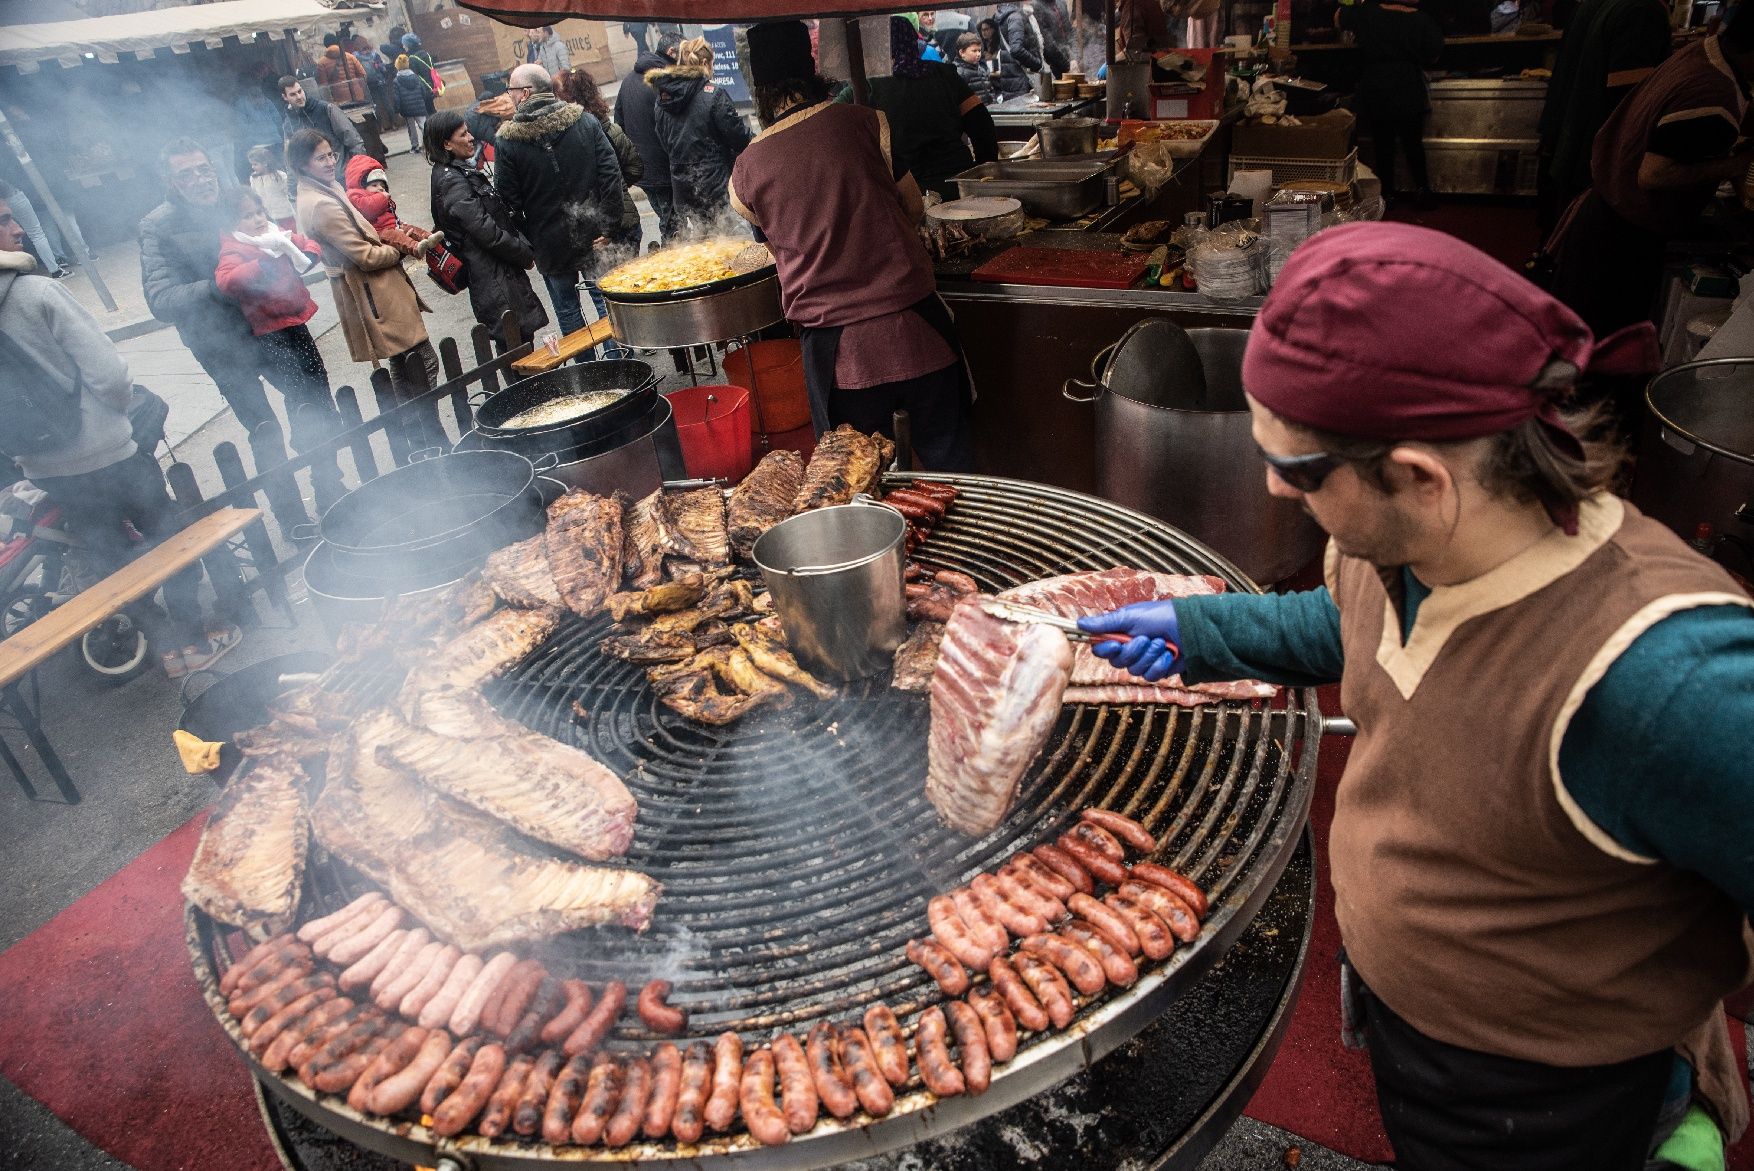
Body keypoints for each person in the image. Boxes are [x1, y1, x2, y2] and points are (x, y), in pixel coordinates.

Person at [1076, 221, 1754, 1171]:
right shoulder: (1400, 545)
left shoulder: (1664, 675)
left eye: (1298, 469)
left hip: (1550, 1099)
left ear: (1420, 475)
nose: (1275, 487)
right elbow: (1354, 626)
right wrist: (1203, 631)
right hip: (1414, 1036)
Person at [0, 195, 241, 678]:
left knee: (112, 562)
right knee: (172, 542)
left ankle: (165, 648)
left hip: (46, 468)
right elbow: (110, 375)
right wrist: (111, 417)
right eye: (5, 220)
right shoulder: (37, 293)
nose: (19, 229)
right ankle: (193, 642)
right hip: (110, 454)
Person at [730, 21, 975, 471]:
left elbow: (776, 248)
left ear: (758, 89)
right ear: (812, 70)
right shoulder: (866, 122)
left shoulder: (746, 170)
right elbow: (914, 207)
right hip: (916, 329)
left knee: (858, 484)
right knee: (953, 468)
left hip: (839, 360)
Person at [141, 138, 341, 525]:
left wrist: (295, 253)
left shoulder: (233, 203)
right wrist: (216, 289)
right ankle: (292, 518)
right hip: (221, 343)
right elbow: (160, 298)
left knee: (314, 403)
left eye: (204, 169)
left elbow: (275, 235)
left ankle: (331, 490)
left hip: (275, 325)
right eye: (187, 174)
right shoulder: (158, 226)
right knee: (264, 429)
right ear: (170, 181)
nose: (200, 180)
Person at [1551, 19, 1754, 343]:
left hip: (1605, 209)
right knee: (1602, 344)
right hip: (1622, 236)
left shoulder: (1703, 52)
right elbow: (1655, 174)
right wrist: (1735, 165)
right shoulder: (1713, 89)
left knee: (1581, 337)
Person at [288, 129, 442, 447]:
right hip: (373, 289)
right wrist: (400, 248)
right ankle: (427, 437)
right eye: (320, 158)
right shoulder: (319, 204)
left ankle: (420, 441)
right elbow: (365, 257)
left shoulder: (324, 188)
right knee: (422, 362)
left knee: (403, 362)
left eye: (330, 154)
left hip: (378, 287)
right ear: (302, 164)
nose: (330, 162)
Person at [212, 188, 347, 514]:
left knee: (317, 379)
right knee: (298, 392)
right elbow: (225, 280)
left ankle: (327, 432)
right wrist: (261, 263)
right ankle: (307, 437)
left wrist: (305, 252)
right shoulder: (236, 248)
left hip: (296, 321)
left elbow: (306, 244)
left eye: (259, 211)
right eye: (247, 216)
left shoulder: (275, 235)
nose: (257, 219)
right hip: (270, 332)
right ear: (233, 222)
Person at [493, 63, 625, 337]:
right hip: (593, 231)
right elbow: (611, 175)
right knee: (604, 303)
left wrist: (532, 240)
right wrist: (609, 224)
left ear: (525, 93)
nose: (509, 96)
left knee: (568, 310)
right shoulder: (584, 121)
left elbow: (508, 202)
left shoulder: (508, 141)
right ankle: (615, 359)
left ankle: (588, 366)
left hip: (549, 242)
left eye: (511, 90)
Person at [1535, 0, 1671, 233]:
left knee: (1562, 235)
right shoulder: (1643, 10)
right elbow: (1628, 99)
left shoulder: (1590, 4)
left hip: (1570, 146)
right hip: (1598, 159)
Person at [425, 111, 549, 350]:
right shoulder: (451, 181)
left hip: (498, 273)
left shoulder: (456, 173)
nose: (471, 138)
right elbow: (486, 231)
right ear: (447, 144)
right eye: (463, 134)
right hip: (494, 278)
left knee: (520, 342)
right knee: (516, 346)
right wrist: (523, 253)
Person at [865, 17, 999, 199]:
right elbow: (982, 124)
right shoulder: (944, 74)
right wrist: (984, 173)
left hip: (910, 195)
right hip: (959, 184)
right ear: (913, 41)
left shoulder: (871, 86)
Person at [1338, 0, 1444, 204]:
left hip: (1377, 83)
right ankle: (1423, 190)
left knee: (1382, 144)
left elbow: (1338, 16)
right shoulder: (1421, 18)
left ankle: (1386, 193)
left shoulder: (1368, 12)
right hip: (1408, 83)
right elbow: (1434, 55)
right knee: (1413, 142)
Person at [648, 38, 752, 230]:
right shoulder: (713, 95)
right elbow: (738, 138)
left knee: (705, 240)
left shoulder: (662, 100)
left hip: (684, 188)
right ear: (704, 63)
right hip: (716, 186)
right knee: (732, 239)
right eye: (712, 64)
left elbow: (664, 142)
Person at [556, 69, 645, 258]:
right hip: (625, 223)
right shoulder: (612, 130)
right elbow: (635, 167)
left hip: (600, 228)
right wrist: (621, 185)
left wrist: (617, 184)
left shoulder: (570, 138)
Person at [615, 35, 680, 240]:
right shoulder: (664, 79)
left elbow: (619, 123)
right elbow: (675, 126)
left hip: (643, 170)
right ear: (671, 52)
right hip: (664, 168)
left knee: (668, 219)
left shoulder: (628, 80)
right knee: (674, 228)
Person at [343, 156, 440, 258]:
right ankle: (416, 247)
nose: (380, 188)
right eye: (374, 185)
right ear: (362, 186)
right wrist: (382, 198)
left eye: (382, 185)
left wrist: (398, 223)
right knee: (396, 236)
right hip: (379, 231)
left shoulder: (378, 195)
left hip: (391, 225)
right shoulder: (355, 195)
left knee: (409, 228)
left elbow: (390, 212)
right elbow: (368, 208)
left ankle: (429, 237)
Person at [279, 76, 364, 175]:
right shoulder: (288, 124)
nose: (299, 97)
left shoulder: (326, 109)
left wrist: (360, 170)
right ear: (285, 97)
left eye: (300, 91)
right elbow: (291, 158)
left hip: (342, 173)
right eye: (293, 94)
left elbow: (354, 141)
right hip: (316, 180)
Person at [979, 18, 1035, 98]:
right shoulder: (983, 45)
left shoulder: (1000, 44)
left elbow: (996, 70)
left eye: (986, 29)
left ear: (993, 29)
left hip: (1002, 81)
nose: (984, 32)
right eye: (982, 30)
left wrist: (992, 59)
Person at [995, 2, 1050, 82]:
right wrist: (1037, 64)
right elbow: (1016, 50)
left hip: (1014, 75)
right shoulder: (1015, 17)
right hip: (1022, 77)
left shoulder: (1008, 14)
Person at [246, 145, 296, 231]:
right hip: (267, 214)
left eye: (255, 164)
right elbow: (254, 193)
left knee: (290, 232)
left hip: (284, 212)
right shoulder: (254, 178)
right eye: (252, 164)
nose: (252, 167)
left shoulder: (279, 176)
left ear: (265, 163)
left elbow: (287, 191)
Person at [392, 55, 434, 154]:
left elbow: (397, 98)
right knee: (423, 126)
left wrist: (397, 110)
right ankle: (429, 145)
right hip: (419, 106)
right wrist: (422, 102)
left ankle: (415, 146)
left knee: (412, 128)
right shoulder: (416, 77)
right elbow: (423, 92)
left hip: (406, 109)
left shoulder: (396, 81)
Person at [315, 33, 369, 106]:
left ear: (325, 45)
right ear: (337, 42)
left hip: (340, 101)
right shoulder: (350, 57)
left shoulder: (321, 63)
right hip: (358, 97)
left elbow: (324, 87)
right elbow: (363, 75)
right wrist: (359, 89)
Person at [954, 33, 999, 103]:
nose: (978, 54)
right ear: (962, 52)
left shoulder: (982, 69)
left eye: (979, 51)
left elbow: (991, 91)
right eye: (974, 51)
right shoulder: (958, 73)